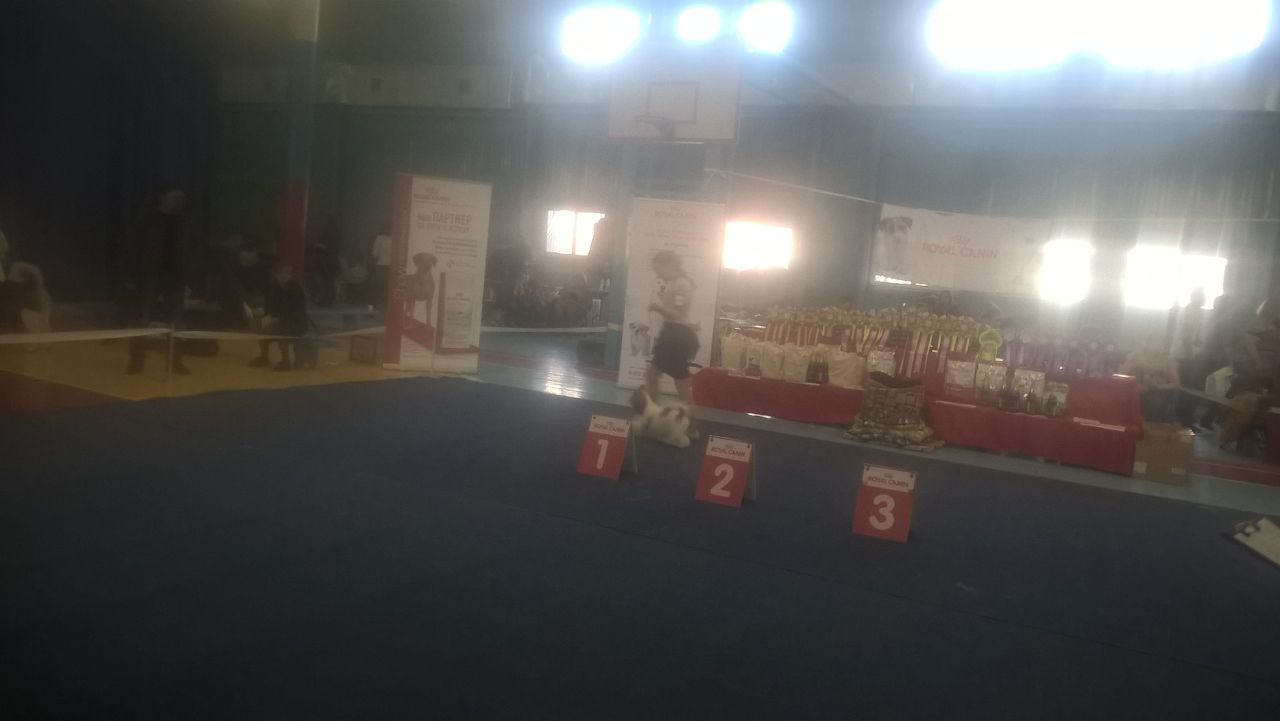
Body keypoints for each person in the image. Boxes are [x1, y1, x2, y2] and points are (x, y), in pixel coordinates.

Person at [122, 188, 189, 375]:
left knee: (176, 322)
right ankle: (136, 361)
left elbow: (190, 252)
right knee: (141, 320)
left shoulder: (184, 223)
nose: (179, 201)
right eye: (175, 197)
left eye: (182, 198)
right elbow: (133, 248)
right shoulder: (147, 220)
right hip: (149, 277)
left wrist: (189, 278)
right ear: (163, 197)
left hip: (176, 278)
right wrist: (131, 275)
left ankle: (175, 362)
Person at [645, 250, 700, 440]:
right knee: (653, 375)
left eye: (659, 268)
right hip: (671, 333)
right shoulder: (674, 283)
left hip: (677, 335)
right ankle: (654, 419)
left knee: (680, 383)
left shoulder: (682, 285)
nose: (658, 273)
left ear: (670, 265)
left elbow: (678, 315)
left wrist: (657, 307)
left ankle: (690, 426)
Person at [250, 264, 309, 371]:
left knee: (282, 332)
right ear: (276, 275)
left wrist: (280, 319)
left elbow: (299, 311)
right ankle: (264, 357)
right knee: (261, 331)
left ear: (291, 276)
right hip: (278, 321)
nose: (284, 276)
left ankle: (286, 362)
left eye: (287, 273)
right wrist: (267, 318)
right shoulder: (273, 288)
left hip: (296, 323)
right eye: (281, 273)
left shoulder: (296, 288)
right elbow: (269, 308)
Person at [1121, 333, 1180, 422]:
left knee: (1155, 403)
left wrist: (1158, 387)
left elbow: (1176, 383)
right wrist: (1132, 365)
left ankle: (1151, 426)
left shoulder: (1168, 360)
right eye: (1152, 342)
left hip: (1157, 391)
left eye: (1158, 343)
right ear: (1146, 343)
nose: (1155, 346)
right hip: (1135, 388)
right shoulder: (1135, 356)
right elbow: (1122, 374)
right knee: (1122, 397)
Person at [1173, 288, 1207, 427]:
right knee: (1186, 388)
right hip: (1183, 356)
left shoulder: (1198, 312)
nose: (1204, 299)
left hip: (1189, 354)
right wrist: (1190, 357)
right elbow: (1186, 336)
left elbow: (1195, 336)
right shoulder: (1190, 311)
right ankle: (1182, 419)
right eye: (1202, 296)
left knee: (1188, 388)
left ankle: (1184, 417)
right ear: (1195, 297)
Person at [311, 213, 341, 307]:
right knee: (330, 280)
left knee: (324, 281)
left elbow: (324, 246)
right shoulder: (337, 233)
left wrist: (317, 246)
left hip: (325, 260)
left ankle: (324, 299)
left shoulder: (326, 232)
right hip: (333, 260)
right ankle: (329, 299)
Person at [369, 222, 393, 309]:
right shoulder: (379, 238)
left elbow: (375, 254)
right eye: (386, 228)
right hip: (382, 266)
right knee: (380, 287)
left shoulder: (395, 238)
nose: (388, 230)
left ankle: (385, 306)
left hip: (389, 267)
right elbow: (374, 254)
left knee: (385, 287)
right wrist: (374, 267)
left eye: (389, 228)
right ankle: (375, 306)